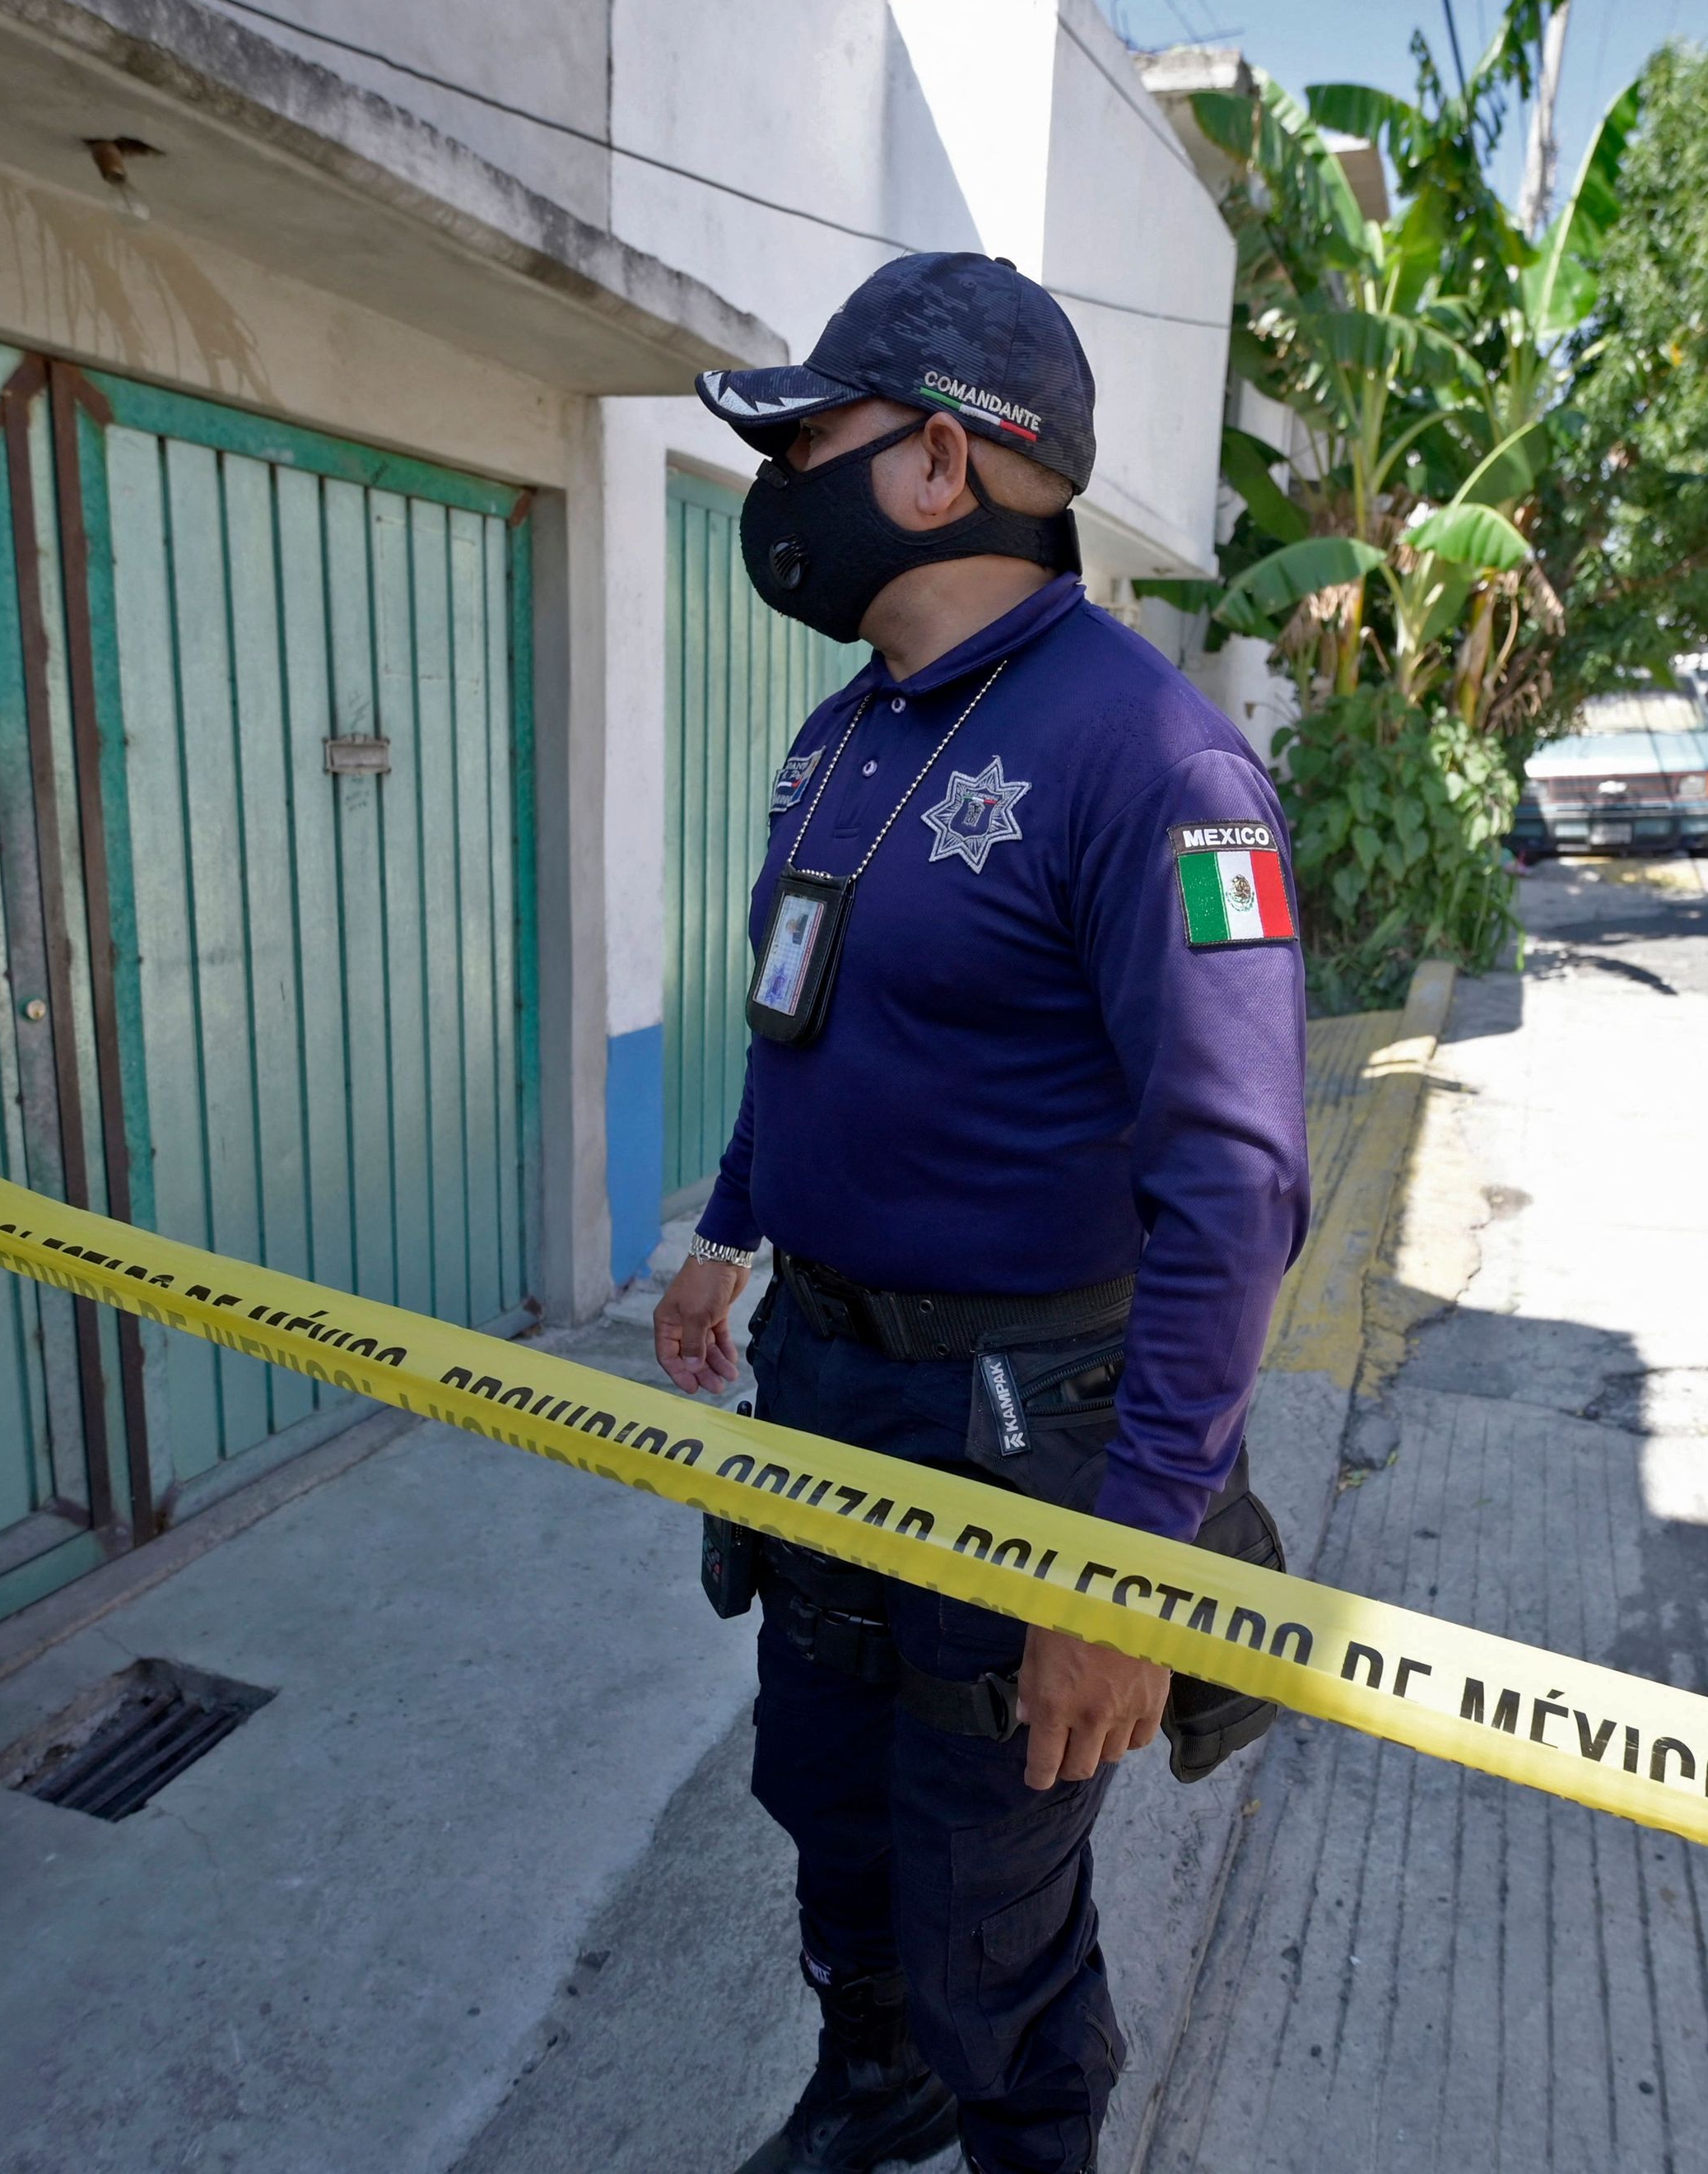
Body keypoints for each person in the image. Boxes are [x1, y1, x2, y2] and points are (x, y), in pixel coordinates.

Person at [661, 254, 1310, 2174]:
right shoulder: (844, 729)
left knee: (983, 1879)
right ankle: (877, 2076)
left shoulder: (1160, 764)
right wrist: (727, 1225)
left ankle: (1018, 2123)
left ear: (943, 462)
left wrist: (1135, 1570)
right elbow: (807, 1013)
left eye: (809, 440)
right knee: (824, 1792)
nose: (778, 478)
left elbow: (1234, 1186)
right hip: (826, 1374)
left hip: (1031, 1422)